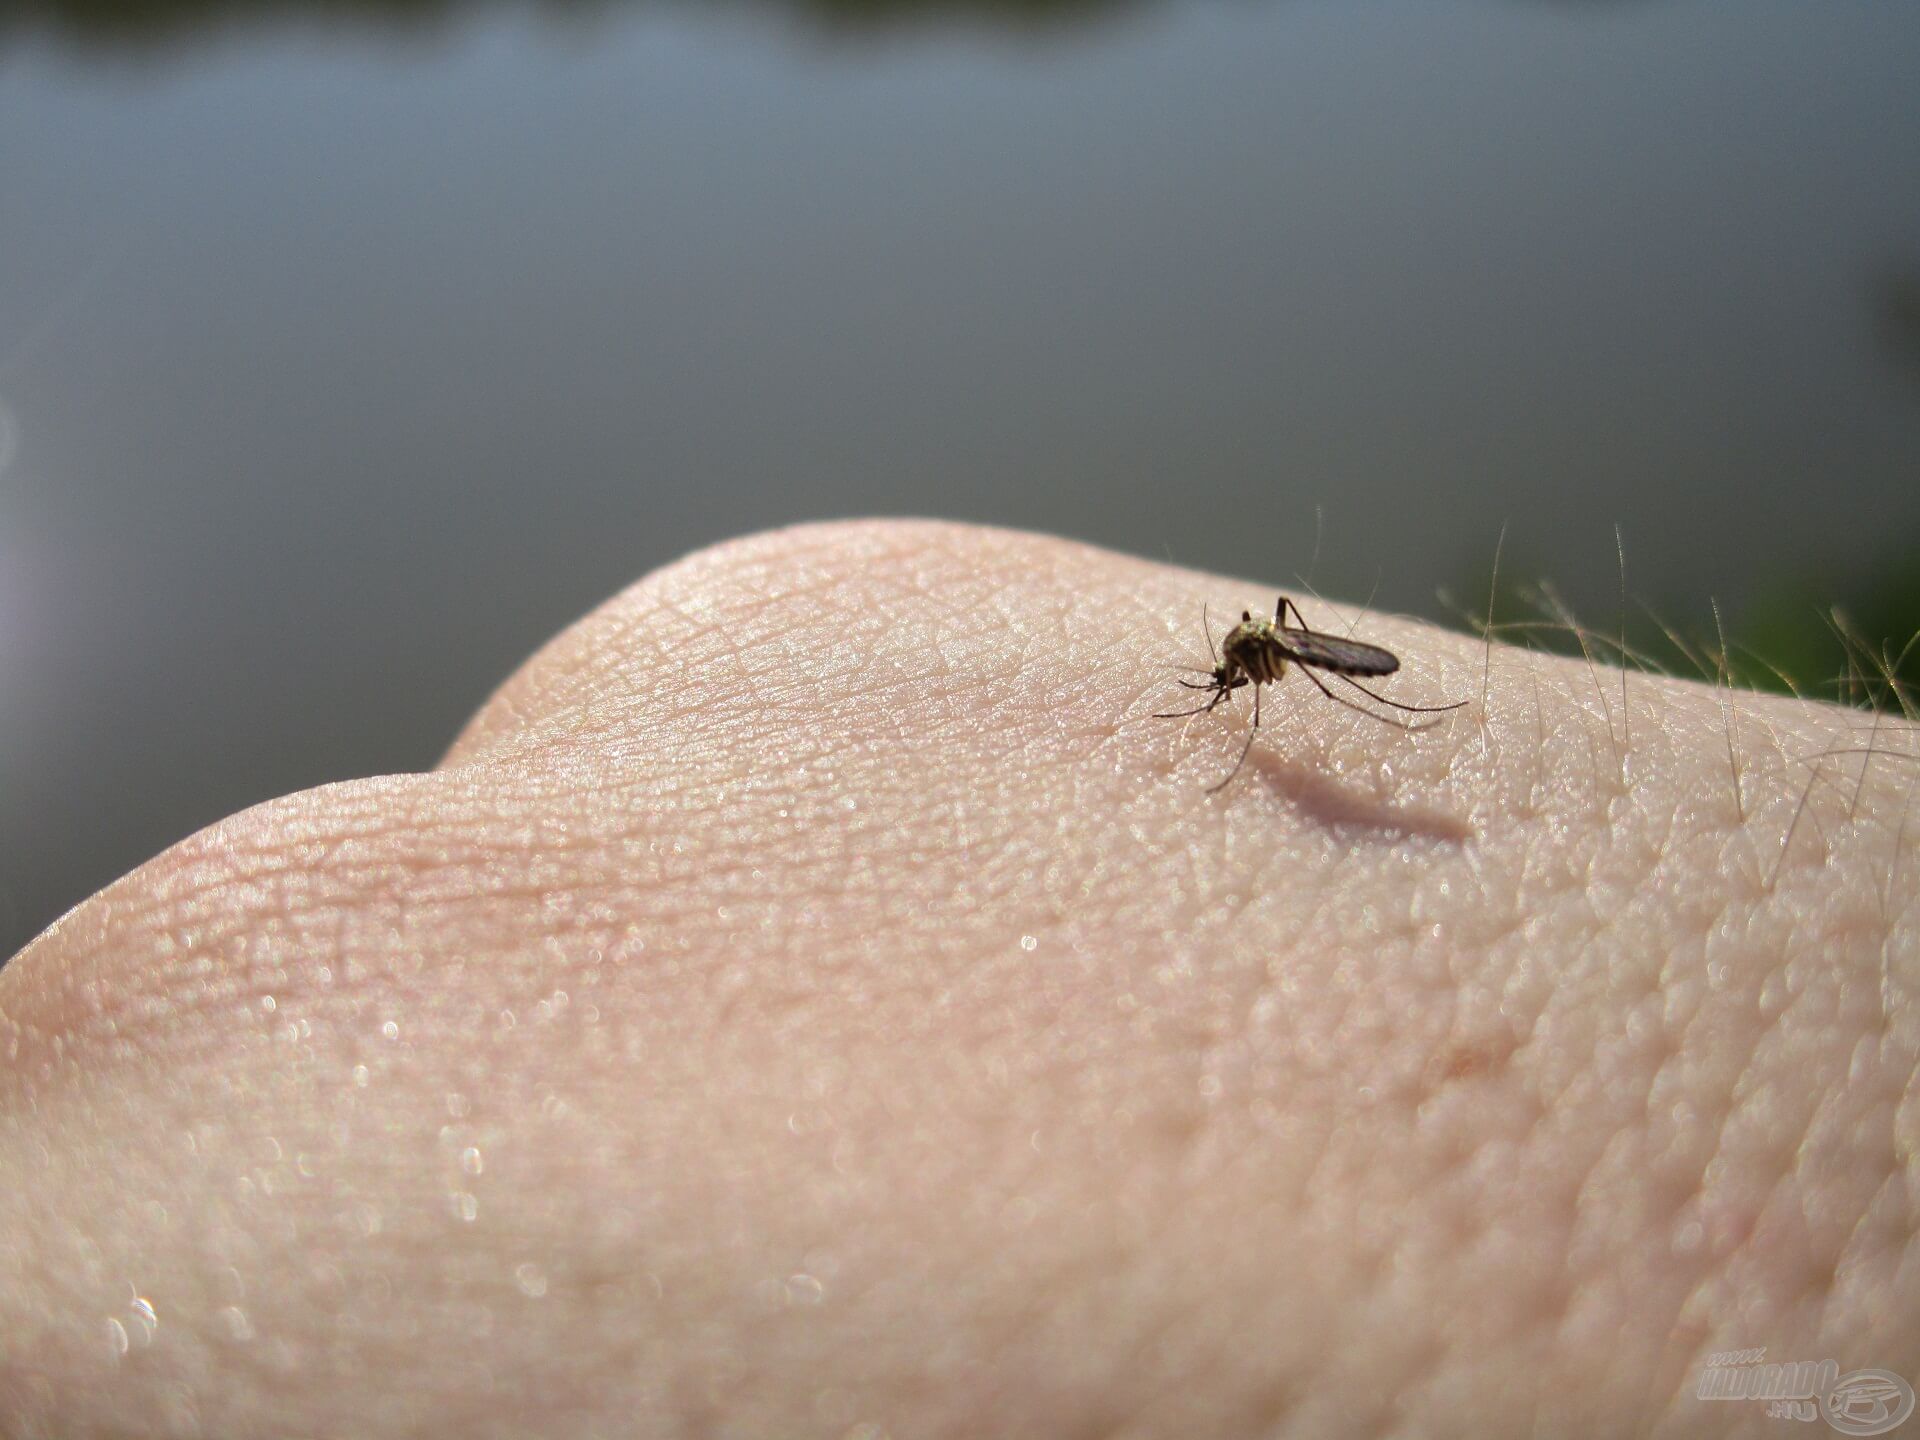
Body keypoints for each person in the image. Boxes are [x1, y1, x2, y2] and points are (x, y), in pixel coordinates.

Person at [2, 520, 1913, 1438]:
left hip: (1351, 703)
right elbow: (1235, 687)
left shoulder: (1281, 673)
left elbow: (1281, 690)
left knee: (1323, 708)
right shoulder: (1239, 672)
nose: (1242, 674)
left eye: (1246, 665)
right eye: (1252, 663)